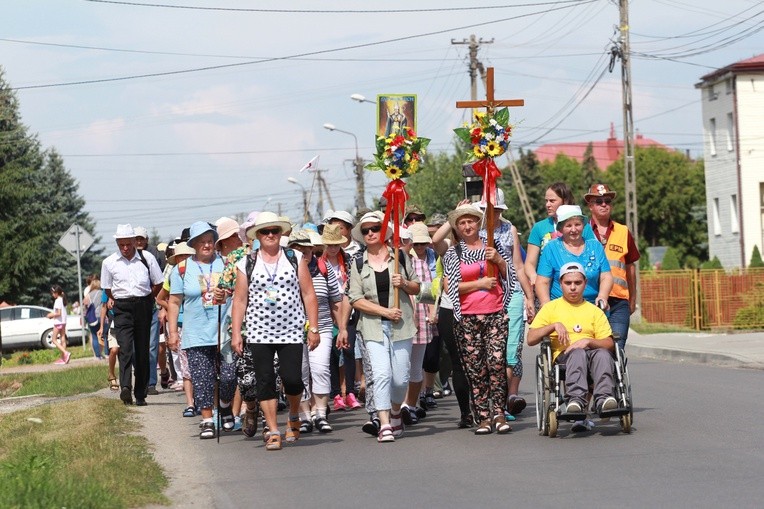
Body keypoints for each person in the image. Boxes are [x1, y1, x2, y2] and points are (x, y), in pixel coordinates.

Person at [230, 212, 320, 451]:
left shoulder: (294, 257)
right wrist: (237, 333)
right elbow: (239, 301)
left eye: (274, 231)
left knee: (292, 379)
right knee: (265, 380)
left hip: (291, 328)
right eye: (265, 232)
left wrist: (314, 327)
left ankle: (293, 414)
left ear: (281, 234)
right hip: (259, 331)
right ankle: (273, 429)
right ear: (257, 235)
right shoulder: (246, 263)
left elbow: (309, 294)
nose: (270, 235)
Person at [348, 211, 420, 443]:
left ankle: (397, 411)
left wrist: (405, 283)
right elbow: (355, 299)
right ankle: (385, 422)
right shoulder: (357, 263)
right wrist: (384, 312)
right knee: (380, 374)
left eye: (374, 229)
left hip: (401, 326)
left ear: (384, 231)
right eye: (366, 230)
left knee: (400, 379)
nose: (370, 233)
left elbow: (417, 287)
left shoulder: (399, 257)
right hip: (372, 327)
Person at [442, 205, 514, 435]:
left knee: (496, 363)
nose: (467, 226)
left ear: (478, 222)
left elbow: (510, 275)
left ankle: (499, 413)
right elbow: (452, 287)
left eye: (470, 221)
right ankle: (482, 416)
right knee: (476, 368)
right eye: (462, 223)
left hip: (495, 313)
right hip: (467, 316)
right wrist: (479, 284)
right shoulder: (454, 253)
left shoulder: (493, 245)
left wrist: (500, 261)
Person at [167, 222, 236, 439]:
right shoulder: (182, 269)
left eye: (209, 241)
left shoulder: (225, 263)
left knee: (229, 375)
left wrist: (226, 295)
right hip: (195, 333)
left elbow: (237, 293)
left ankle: (225, 405)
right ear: (194, 244)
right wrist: (173, 333)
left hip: (224, 331)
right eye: (202, 242)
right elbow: (174, 302)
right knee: (202, 379)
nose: (206, 245)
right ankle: (207, 419)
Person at [527, 262, 619, 422]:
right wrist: (553, 326)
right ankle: (576, 400)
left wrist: (588, 341)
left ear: (585, 284)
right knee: (577, 353)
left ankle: (604, 399)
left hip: (593, 354)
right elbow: (531, 338)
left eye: (577, 283)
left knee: (603, 354)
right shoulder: (550, 309)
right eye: (568, 283)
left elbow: (610, 343)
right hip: (565, 357)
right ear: (560, 284)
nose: (573, 287)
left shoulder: (594, 311)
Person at [477, 189, 535, 418]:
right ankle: (489, 401)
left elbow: (519, 267)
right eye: (487, 210)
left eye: (496, 210)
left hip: (512, 293)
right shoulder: (473, 231)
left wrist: (529, 297)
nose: (492, 215)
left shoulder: (509, 230)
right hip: (486, 295)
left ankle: (505, 401)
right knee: (489, 352)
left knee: (511, 349)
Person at [288, 228, 347, 433]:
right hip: (292, 330)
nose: (304, 253)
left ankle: (320, 414)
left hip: (321, 327)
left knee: (321, 369)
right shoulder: (285, 270)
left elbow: (336, 301)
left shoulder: (324, 268)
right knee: (299, 374)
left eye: (307, 249)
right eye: (298, 249)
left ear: (313, 249)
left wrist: (341, 329)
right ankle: (304, 416)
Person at [101, 224, 164, 406]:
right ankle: (126, 388)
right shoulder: (109, 262)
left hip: (143, 304)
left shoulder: (147, 258)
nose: (125, 248)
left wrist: (148, 298)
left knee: (143, 350)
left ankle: (141, 392)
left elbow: (158, 282)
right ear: (117, 244)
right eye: (121, 245)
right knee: (125, 348)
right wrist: (119, 300)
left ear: (134, 242)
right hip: (122, 307)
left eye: (128, 244)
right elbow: (108, 288)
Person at [584, 183, 640, 351]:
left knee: (617, 348)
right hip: (590, 301)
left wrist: (632, 299)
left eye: (607, 201)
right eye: (599, 201)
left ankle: (616, 376)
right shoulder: (583, 232)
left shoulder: (623, 231)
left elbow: (630, 268)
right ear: (590, 205)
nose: (604, 205)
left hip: (618, 301)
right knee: (593, 349)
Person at [535, 204, 613, 308]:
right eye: (568, 226)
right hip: (560, 307)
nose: (574, 229)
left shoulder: (595, 246)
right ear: (561, 228)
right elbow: (542, 281)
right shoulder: (551, 248)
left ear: (583, 226)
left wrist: (602, 296)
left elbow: (606, 276)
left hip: (592, 306)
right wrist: (545, 303)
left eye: (577, 224)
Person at [322, 210, 362, 411]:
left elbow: (351, 287)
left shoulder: (348, 260)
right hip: (326, 315)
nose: (332, 248)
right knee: (330, 353)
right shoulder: (319, 263)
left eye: (336, 244)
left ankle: (351, 393)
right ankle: (336, 394)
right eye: (328, 244)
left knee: (348, 350)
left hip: (348, 312)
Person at [525, 182, 594, 291]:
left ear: (565, 201)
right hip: (547, 288)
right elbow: (529, 263)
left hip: (576, 288)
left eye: (552, 201)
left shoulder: (583, 227)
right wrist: (535, 278)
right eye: (546, 201)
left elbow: (592, 256)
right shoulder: (539, 227)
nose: (548, 204)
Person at [156, 241, 197, 417]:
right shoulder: (174, 274)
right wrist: (174, 307)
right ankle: (191, 402)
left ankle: (203, 398)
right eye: (181, 256)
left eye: (187, 255)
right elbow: (160, 298)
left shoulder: (198, 270)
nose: (184, 259)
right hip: (181, 324)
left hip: (199, 322)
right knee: (186, 362)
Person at [135, 226, 166, 396]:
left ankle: (151, 382)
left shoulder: (153, 257)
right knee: (134, 347)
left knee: (152, 346)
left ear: (146, 240)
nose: (139, 242)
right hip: (133, 309)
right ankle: (140, 377)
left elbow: (159, 282)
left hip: (151, 306)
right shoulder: (127, 258)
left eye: (142, 239)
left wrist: (151, 298)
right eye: (136, 239)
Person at [83, 277, 106, 360]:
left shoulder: (89, 294)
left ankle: (97, 355)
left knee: (94, 336)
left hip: (93, 318)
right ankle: (106, 353)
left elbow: (84, 305)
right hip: (102, 316)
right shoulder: (102, 293)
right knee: (104, 335)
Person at [48, 285, 71, 364]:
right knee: (62, 338)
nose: (52, 295)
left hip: (58, 322)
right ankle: (64, 359)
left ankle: (65, 353)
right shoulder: (63, 300)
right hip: (63, 322)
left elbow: (58, 313)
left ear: (56, 293)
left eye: (53, 293)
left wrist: (50, 315)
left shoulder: (58, 300)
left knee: (54, 340)